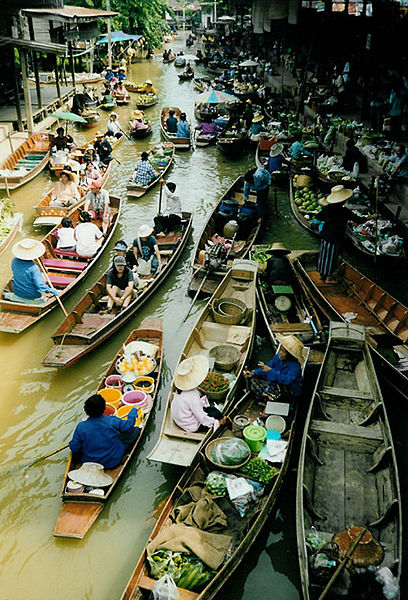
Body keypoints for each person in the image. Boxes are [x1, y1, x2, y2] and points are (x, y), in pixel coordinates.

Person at [317, 185, 373, 282]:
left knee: (324, 255)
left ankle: (322, 275)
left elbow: (319, 217)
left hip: (325, 235)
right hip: (335, 237)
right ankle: (328, 278)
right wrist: (372, 217)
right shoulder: (344, 211)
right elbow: (359, 220)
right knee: (331, 257)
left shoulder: (328, 208)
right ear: (343, 201)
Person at [69, 394, 140, 469]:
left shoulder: (81, 426)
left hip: (89, 463)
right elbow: (128, 426)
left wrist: (72, 443)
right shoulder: (112, 420)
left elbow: (74, 448)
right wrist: (133, 410)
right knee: (135, 430)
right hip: (113, 461)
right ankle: (124, 455)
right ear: (104, 409)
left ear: (86, 411)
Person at [171, 356, 226, 432]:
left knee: (211, 410)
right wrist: (217, 422)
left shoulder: (179, 388)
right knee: (217, 414)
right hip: (189, 424)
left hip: (178, 418)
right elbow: (201, 417)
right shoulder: (192, 395)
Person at [244, 334, 303, 401]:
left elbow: (287, 380)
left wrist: (270, 370)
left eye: (283, 352)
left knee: (264, 388)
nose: (280, 353)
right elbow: (267, 367)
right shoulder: (278, 357)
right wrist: (253, 373)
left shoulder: (295, 367)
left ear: (290, 355)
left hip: (289, 390)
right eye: (280, 350)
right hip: (277, 383)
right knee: (253, 379)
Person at [4, 238, 59, 304]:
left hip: (17, 291)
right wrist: (51, 290)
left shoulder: (14, 260)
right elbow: (40, 286)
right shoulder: (33, 268)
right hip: (32, 295)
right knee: (42, 277)